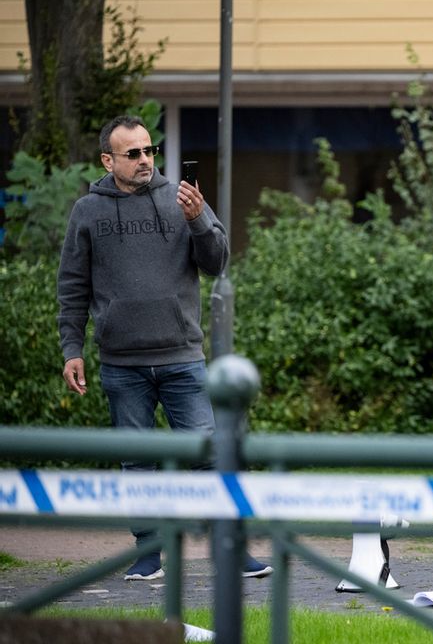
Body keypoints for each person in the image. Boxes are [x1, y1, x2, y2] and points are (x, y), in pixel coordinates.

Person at [57, 115, 272, 581]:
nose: (144, 160)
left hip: (182, 357)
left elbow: (217, 262)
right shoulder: (88, 211)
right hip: (121, 362)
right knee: (138, 461)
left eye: (149, 151)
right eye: (132, 153)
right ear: (107, 160)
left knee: (211, 453)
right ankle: (149, 552)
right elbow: (72, 286)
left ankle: (229, 548)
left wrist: (197, 220)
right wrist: (71, 347)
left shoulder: (182, 200)